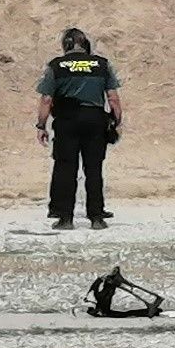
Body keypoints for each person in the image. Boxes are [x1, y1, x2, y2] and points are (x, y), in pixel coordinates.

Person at [36, 28, 123, 230]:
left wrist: (41, 125)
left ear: (65, 45)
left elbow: (47, 99)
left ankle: (66, 218)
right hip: (95, 120)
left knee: (67, 169)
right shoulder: (102, 65)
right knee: (94, 169)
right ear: (85, 45)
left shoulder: (56, 66)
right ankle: (96, 218)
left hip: (67, 120)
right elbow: (113, 98)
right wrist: (116, 121)